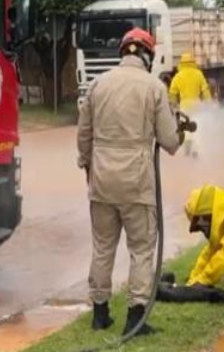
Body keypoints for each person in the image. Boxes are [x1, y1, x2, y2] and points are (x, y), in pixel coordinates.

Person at [77, 28, 183, 336]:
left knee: (102, 247)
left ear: (122, 52)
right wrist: (180, 131)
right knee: (141, 249)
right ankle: (136, 318)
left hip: (101, 179)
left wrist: (87, 165)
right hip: (136, 181)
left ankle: (100, 314)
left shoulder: (98, 84)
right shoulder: (154, 87)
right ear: (148, 56)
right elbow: (169, 141)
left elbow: (84, 135)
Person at [168, 53, 212, 157]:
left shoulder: (178, 76)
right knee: (197, 128)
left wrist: (174, 106)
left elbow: (172, 93)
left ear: (181, 63)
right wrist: (209, 104)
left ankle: (186, 147)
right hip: (196, 105)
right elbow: (205, 90)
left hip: (184, 107)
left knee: (185, 128)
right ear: (193, 62)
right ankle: (196, 150)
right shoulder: (198, 74)